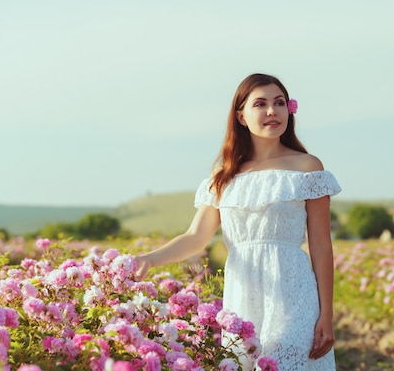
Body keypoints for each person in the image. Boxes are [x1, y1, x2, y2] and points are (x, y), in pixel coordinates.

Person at [135, 73, 341, 370]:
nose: (273, 111)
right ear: (241, 116)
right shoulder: (224, 177)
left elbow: (321, 244)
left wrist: (326, 314)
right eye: (261, 104)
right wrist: (149, 259)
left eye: (280, 103)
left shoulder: (307, 167)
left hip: (295, 298)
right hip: (243, 298)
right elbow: (195, 237)